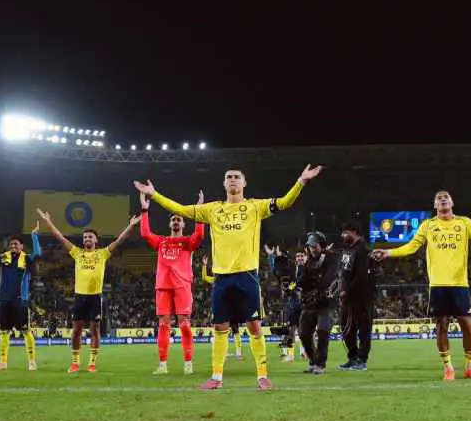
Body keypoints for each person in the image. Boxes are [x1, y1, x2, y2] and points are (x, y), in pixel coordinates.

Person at [134, 164, 323, 390]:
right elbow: (181, 209)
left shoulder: (255, 206)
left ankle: (262, 375)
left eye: (236, 176)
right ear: (224, 183)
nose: (232, 179)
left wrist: (301, 181)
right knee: (220, 327)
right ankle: (216, 377)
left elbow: (284, 202)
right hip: (222, 277)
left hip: (247, 275)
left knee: (254, 326)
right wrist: (154, 194)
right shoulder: (212, 209)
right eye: (229, 177)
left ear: (244, 183)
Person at [372, 190, 471, 380]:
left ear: (452, 203)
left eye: (446, 197)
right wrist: (389, 253)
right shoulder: (428, 225)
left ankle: (470, 366)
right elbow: (412, 246)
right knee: (442, 325)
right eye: (439, 198)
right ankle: (448, 367)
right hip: (438, 284)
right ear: (435, 206)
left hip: (459, 283)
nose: (442, 198)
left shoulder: (464, 222)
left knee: (467, 325)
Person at [36, 209, 139, 373]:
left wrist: (131, 225)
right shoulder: (77, 253)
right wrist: (48, 221)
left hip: (95, 297)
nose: (87, 239)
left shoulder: (102, 254)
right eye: (85, 237)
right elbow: (60, 238)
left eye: (90, 237)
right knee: (76, 330)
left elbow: (120, 240)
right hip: (80, 297)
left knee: (94, 330)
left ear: (96, 240)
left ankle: (92, 363)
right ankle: (75, 363)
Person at [139, 191, 206, 375]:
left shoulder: (187, 242)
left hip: (182, 285)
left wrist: (199, 211)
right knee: (163, 324)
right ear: (170, 224)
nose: (176, 221)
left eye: (179, 219)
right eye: (173, 220)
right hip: (163, 286)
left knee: (184, 324)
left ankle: (188, 363)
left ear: (183, 224)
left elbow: (199, 235)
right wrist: (144, 210)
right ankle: (162, 364)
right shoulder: (161, 242)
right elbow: (145, 233)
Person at [0, 222, 42, 371]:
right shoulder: (3, 258)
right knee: (4, 331)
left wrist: (34, 236)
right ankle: (3, 362)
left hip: (20, 301)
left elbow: (38, 252)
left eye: (16, 244)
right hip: (4, 300)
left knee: (26, 331)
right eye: (11, 244)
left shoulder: (27, 259)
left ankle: (32, 361)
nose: (13, 246)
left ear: (22, 246)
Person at [297, 232, 340, 374]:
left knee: (323, 332)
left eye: (314, 246)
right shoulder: (308, 261)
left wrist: (314, 284)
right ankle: (313, 361)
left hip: (326, 303)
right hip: (309, 303)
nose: (312, 249)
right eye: (310, 247)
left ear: (322, 246)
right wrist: (302, 266)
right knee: (304, 334)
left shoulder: (331, 259)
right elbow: (301, 282)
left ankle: (320, 364)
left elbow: (328, 280)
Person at [338, 222, 376, 371]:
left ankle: (362, 360)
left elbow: (361, 276)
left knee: (364, 328)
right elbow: (344, 271)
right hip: (348, 297)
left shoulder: (363, 249)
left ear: (354, 232)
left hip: (362, 297)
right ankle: (353, 357)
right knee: (346, 328)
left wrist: (347, 291)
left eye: (345, 232)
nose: (342, 235)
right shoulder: (348, 248)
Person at [201, 258, 245, 360]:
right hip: (223, 306)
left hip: (230, 307)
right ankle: (228, 352)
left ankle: (237, 352)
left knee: (234, 329)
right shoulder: (216, 280)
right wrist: (204, 265)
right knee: (225, 330)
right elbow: (204, 277)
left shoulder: (226, 279)